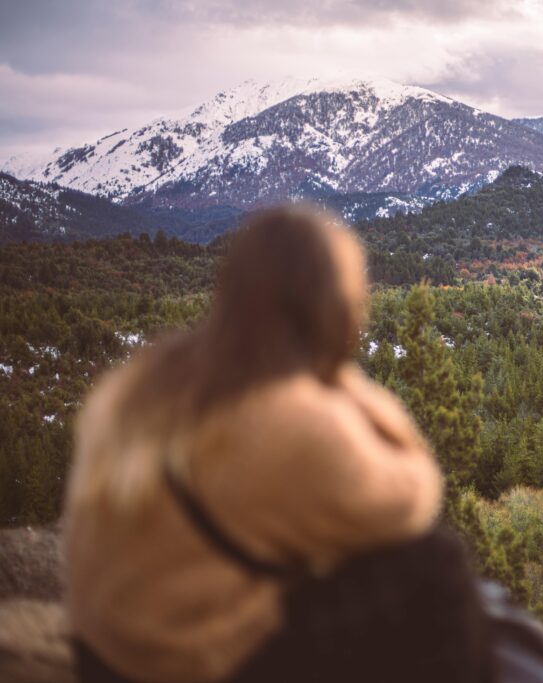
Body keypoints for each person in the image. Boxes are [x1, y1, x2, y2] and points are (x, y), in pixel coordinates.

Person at [63, 206, 493, 683]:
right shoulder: (286, 416)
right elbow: (414, 496)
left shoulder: (141, 382)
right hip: (184, 664)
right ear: (328, 303)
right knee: (436, 563)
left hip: (103, 657)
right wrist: (339, 374)